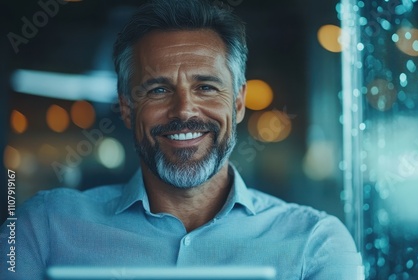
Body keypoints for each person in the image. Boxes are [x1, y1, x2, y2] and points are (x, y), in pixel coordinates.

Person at [0, 0, 362, 279]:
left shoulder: (316, 244)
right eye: (158, 89)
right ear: (127, 108)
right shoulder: (42, 229)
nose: (184, 110)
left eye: (205, 87)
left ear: (237, 103)